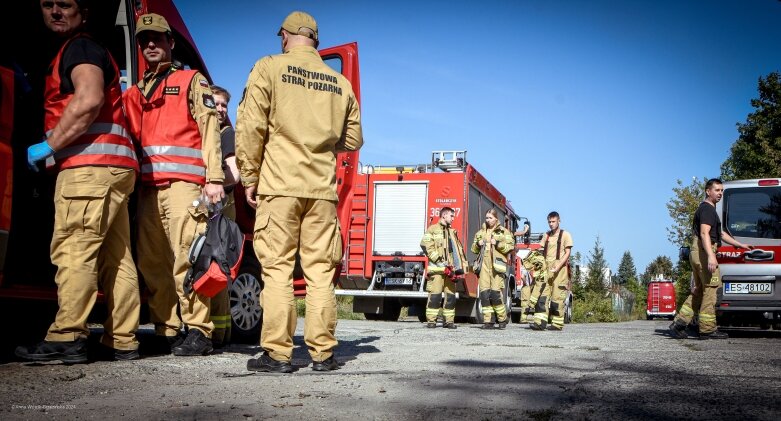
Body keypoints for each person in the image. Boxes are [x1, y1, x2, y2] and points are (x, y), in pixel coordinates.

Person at [236, 10, 363, 373]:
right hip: (322, 191)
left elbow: (249, 127)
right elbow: (353, 138)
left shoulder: (269, 67)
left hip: (279, 186)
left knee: (276, 270)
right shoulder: (340, 82)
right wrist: (320, 143)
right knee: (320, 273)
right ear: (316, 41)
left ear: (285, 37)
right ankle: (323, 355)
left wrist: (249, 177)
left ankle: (278, 354)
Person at [16, 0, 141, 363]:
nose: (55, 11)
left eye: (65, 5)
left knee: (74, 247)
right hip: (114, 167)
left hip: (89, 167)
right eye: (47, 5)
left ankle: (67, 335)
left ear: (83, 13)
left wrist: (49, 145)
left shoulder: (80, 47)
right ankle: (123, 339)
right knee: (116, 258)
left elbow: (88, 99)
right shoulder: (85, 48)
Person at [123, 13, 225, 356]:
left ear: (170, 42)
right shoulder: (136, 92)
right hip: (149, 189)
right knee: (152, 262)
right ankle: (167, 328)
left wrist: (213, 179)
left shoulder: (190, 80)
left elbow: (211, 129)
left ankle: (198, 329)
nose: (150, 44)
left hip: (184, 186)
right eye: (144, 40)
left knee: (188, 259)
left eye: (157, 38)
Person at [669, 178, 751, 340]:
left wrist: (739, 244)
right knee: (711, 288)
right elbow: (705, 233)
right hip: (704, 252)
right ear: (708, 191)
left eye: (721, 191)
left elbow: (719, 233)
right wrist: (711, 256)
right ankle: (707, 328)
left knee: (699, 290)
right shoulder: (707, 209)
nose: (720, 193)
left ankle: (679, 323)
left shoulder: (709, 210)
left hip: (699, 252)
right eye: (717, 190)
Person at [208, 84, 240, 348]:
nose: (220, 109)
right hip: (215, 205)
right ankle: (220, 331)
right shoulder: (209, 132)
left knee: (216, 267)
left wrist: (212, 183)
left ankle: (218, 334)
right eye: (215, 104)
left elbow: (234, 174)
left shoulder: (226, 134)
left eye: (223, 106)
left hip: (221, 206)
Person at [420, 207, 468, 329]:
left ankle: (449, 321)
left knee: (451, 297)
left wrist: (459, 268)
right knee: (435, 296)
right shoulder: (432, 230)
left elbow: (457, 252)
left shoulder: (452, 232)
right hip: (437, 271)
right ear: (444, 215)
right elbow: (426, 246)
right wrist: (440, 262)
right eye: (451, 216)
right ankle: (431, 321)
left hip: (450, 272)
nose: (453, 218)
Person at [471, 209, 515, 329]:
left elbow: (511, 247)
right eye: (486, 218)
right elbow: (473, 250)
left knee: (496, 294)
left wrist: (498, 244)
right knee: (484, 294)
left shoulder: (504, 232)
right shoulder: (480, 233)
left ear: (496, 219)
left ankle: (502, 319)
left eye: (490, 218)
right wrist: (477, 244)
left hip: (497, 267)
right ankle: (488, 321)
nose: (488, 220)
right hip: (484, 267)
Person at [530, 211, 573, 331]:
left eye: (553, 221)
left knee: (557, 298)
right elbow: (540, 250)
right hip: (546, 269)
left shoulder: (566, 235)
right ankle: (540, 323)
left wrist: (558, 266)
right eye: (549, 222)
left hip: (560, 269)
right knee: (542, 296)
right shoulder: (546, 235)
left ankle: (557, 324)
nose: (551, 224)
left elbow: (567, 253)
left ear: (559, 221)